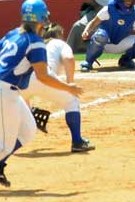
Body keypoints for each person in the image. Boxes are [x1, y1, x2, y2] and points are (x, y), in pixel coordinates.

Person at [0, 0, 82, 194]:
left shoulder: (13, 34)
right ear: (43, 18)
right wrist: (68, 88)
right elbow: (42, 76)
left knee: (27, 130)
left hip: (4, 90)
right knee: (3, 143)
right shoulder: (36, 43)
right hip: (1, 91)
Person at [21, 23, 95, 152]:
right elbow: (69, 58)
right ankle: (77, 142)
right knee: (71, 101)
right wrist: (69, 83)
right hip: (44, 77)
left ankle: (28, 113)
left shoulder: (37, 43)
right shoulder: (60, 43)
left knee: (22, 97)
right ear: (60, 35)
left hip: (22, 80)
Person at [79, 0, 135, 71]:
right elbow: (93, 22)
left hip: (121, 42)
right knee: (100, 35)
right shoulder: (108, 9)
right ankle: (88, 62)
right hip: (104, 43)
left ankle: (125, 60)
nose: (128, 1)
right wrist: (86, 31)